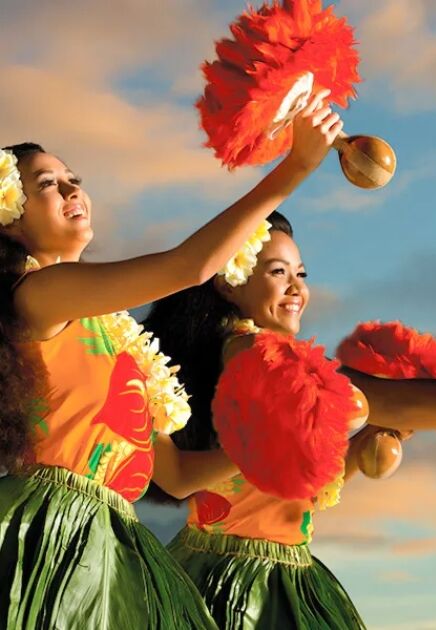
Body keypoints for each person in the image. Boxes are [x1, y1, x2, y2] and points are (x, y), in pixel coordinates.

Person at [143, 211, 436, 629]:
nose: (296, 287)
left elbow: (298, 498)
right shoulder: (257, 353)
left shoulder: (238, 354)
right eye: (278, 272)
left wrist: (362, 447)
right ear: (229, 282)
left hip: (243, 563)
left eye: (301, 274)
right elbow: (388, 400)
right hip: (245, 586)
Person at [0, 90, 342, 629]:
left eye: (74, 179)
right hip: (53, 533)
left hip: (111, 539)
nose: (72, 189)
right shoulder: (38, 294)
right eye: (47, 184)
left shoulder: (116, 335)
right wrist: (295, 166)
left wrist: (270, 451)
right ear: (11, 220)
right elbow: (190, 265)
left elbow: (179, 476)